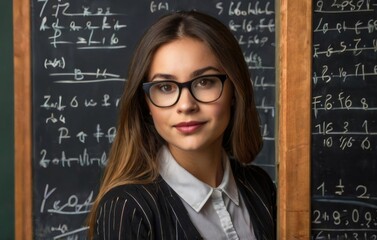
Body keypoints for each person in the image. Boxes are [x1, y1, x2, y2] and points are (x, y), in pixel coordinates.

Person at [87, 10, 276, 239]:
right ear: (146, 102)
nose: (186, 105)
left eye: (205, 82)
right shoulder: (127, 209)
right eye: (165, 87)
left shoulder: (260, 187)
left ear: (234, 92)